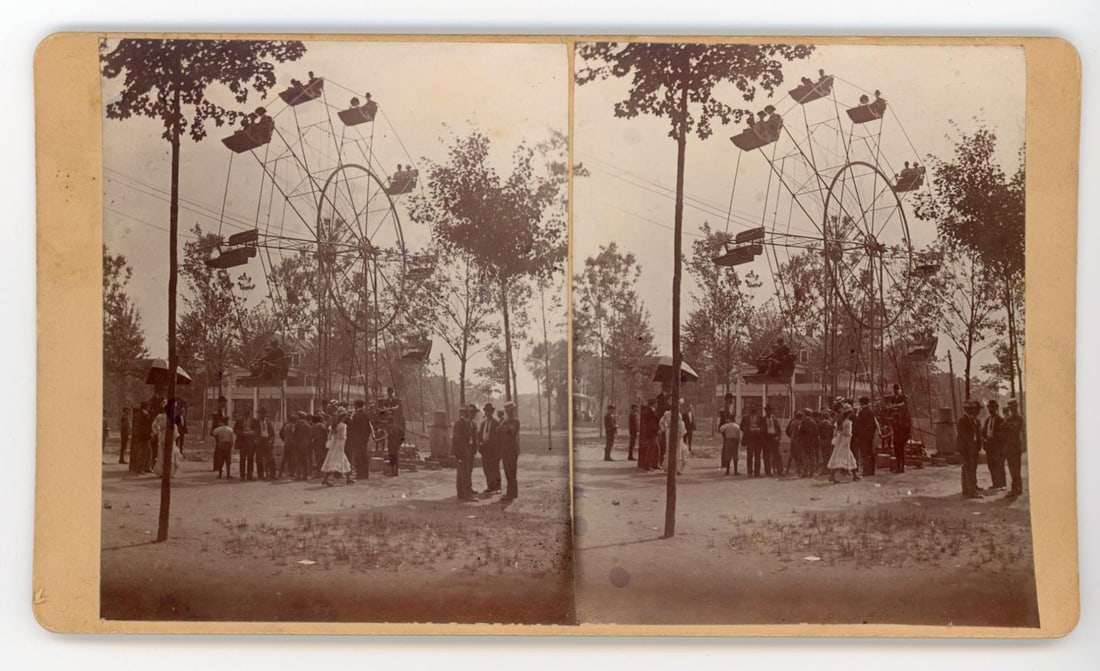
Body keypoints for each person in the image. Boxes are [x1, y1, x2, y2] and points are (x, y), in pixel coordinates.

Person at [957, 400, 984, 498]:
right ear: (965, 409)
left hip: (972, 447)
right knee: (968, 468)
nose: (972, 410)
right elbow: (964, 437)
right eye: (969, 409)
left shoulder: (972, 419)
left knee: (968, 468)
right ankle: (972, 492)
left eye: (972, 408)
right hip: (966, 448)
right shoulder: (963, 420)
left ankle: (967, 490)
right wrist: (969, 447)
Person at [827, 404, 859, 482]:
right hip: (846, 441)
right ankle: (832, 475)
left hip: (841, 441)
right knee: (842, 458)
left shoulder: (841, 422)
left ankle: (854, 475)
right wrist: (851, 434)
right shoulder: (848, 422)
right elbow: (847, 432)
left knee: (848, 457)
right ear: (848, 413)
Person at [452, 405, 477, 502]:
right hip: (462, 452)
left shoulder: (467, 423)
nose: (468, 413)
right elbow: (457, 439)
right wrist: (459, 453)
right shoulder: (459, 423)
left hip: (467, 451)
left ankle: (462, 493)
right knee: (464, 473)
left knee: (463, 472)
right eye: (466, 412)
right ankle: (466, 495)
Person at [321, 411, 353, 486]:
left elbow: (329, 436)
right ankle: (326, 479)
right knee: (338, 462)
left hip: (334, 444)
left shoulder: (334, 425)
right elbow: (343, 437)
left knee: (340, 461)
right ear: (343, 418)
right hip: (340, 445)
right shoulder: (343, 425)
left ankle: (348, 479)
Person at [884, 384, 911, 473]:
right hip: (897, 432)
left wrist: (895, 406)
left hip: (902, 433)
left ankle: (901, 467)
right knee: (897, 450)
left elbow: (903, 404)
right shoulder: (893, 398)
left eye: (897, 389)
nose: (895, 391)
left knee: (900, 450)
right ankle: (899, 466)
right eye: (894, 389)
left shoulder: (902, 399)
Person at [346, 400, 373, 483]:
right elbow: (369, 428)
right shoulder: (365, 415)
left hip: (357, 440)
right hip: (364, 439)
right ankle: (365, 474)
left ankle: (360, 474)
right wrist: (366, 437)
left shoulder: (356, 416)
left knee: (358, 457)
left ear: (357, 405)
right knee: (364, 456)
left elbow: (353, 429)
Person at [983, 399, 1007, 491]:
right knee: (991, 465)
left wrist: (1001, 447)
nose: (991, 409)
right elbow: (983, 432)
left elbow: (1003, 435)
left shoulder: (1000, 420)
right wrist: (984, 439)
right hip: (989, 445)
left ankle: (1002, 484)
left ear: (996, 408)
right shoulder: (987, 420)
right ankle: (995, 483)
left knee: (999, 464)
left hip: (997, 446)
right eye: (989, 408)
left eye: (993, 407)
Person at [1003, 399, 1025, 497]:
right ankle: (1015, 488)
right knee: (1012, 469)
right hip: (1009, 446)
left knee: (1016, 468)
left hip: (1015, 446)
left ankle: (1017, 488)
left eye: (1013, 407)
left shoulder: (1019, 418)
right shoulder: (1009, 418)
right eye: (1010, 407)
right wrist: (1008, 425)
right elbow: (1001, 427)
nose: (1012, 409)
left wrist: (1008, 426)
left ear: (1016, 407)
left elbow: (1016, 429)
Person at [500, 401, 521, 501]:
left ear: (513, 410)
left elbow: (511, 432)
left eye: (510, 410)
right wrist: (505, 428)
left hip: (512, 449)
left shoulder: (515, 421)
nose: (509, 412)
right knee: (507, 472)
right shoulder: (505, 421)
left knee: (511, 471)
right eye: (507, 410)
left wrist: (504, 429)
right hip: (505, 449)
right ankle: (510, 492)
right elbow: (498, 430)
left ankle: (512, 493)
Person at [479, 402, 502, 494]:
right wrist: (481, 443)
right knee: (486, 468)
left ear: (492, 412)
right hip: (485, 449)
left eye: (489, 411)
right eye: (486, 411)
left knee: (495, 468)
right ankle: (490, 486)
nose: (487, 413)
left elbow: (499, 438)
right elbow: (480, 435)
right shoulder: (483, 423)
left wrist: (499, 451)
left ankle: (498, 487)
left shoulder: (496, 423)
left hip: (494, 449)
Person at [852, 396, 878, 477]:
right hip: (869, 436)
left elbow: (858, 425)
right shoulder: (871, 412)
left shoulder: (862, 413)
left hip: (863, 437)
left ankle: (866, 470)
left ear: (862, 403)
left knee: (864, 453)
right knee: (870, 453)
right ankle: (871, 470)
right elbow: (874, 425)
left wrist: (857, 434)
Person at [234, 410, 259, 481]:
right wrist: (242, 433)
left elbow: (258, 430)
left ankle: (249, 475)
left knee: (250, 459)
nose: (247, 414)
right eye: (245, 412)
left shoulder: (255, 421)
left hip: (251, 442)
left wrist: (253, 432)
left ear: (250, 413)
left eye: (248, 412)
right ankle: (242, 476)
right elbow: (235, 430)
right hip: (242, 442)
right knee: (242, 459)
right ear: (243, 413)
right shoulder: (239, 421)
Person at [743, 404, 765, 477]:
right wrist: (748, 429)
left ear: (757, 409)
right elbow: (742, 426)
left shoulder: (760, 418)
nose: (753, 409)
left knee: (757, 456)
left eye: (754, 408)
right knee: (749, 456)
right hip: (750, 439)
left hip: (758, 439)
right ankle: (749, 472)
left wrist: (759, 429)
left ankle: (757, 472)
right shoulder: (745, 418)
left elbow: (764, 427)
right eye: (751, 407)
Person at [254, 408, 276, 480]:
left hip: (267, 441)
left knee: (271, 459)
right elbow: (253, 432)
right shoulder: (255, 422)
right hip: (260, 441)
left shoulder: (268, 422)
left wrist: (271, 441)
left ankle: (273, 475)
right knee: (259, 459)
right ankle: (261, 475)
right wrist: (256, 440)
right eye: (261, 413)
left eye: (264, 413)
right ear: (259, 414)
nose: (263, 415)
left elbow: (272, 433)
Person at [639, 399, 660, 471]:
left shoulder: (651, 411)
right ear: (653, 404)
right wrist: (657, 430)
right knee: (652, 449)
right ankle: (648, 466)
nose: (657, 404)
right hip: (652, 433)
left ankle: (654, 464)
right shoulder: (650, 411)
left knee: (656, 448)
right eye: (656, 403)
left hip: (652, 433)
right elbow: (651, 424)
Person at [763, 405, 783, 476]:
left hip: (774, 438)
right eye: (767, 411)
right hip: (767, 438)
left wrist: (778, 437)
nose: (768, 412)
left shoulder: (775, 419)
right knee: (767, 456)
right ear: (765, 411)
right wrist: (764, 441)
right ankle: (768, 472)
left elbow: (779, 430)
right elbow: (761, 432)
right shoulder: (763, 420)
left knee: (777, 455)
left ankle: (780, 471)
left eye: (770, 411)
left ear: (771, 411)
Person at [310, 414, 330, 478]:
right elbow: (326, 434)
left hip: (317, 444)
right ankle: (323, 472)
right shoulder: (323, 425)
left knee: (318, 458)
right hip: (323, 443)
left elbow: (312, 435)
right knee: (323, 457)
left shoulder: (314, 426)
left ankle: (319, 473)